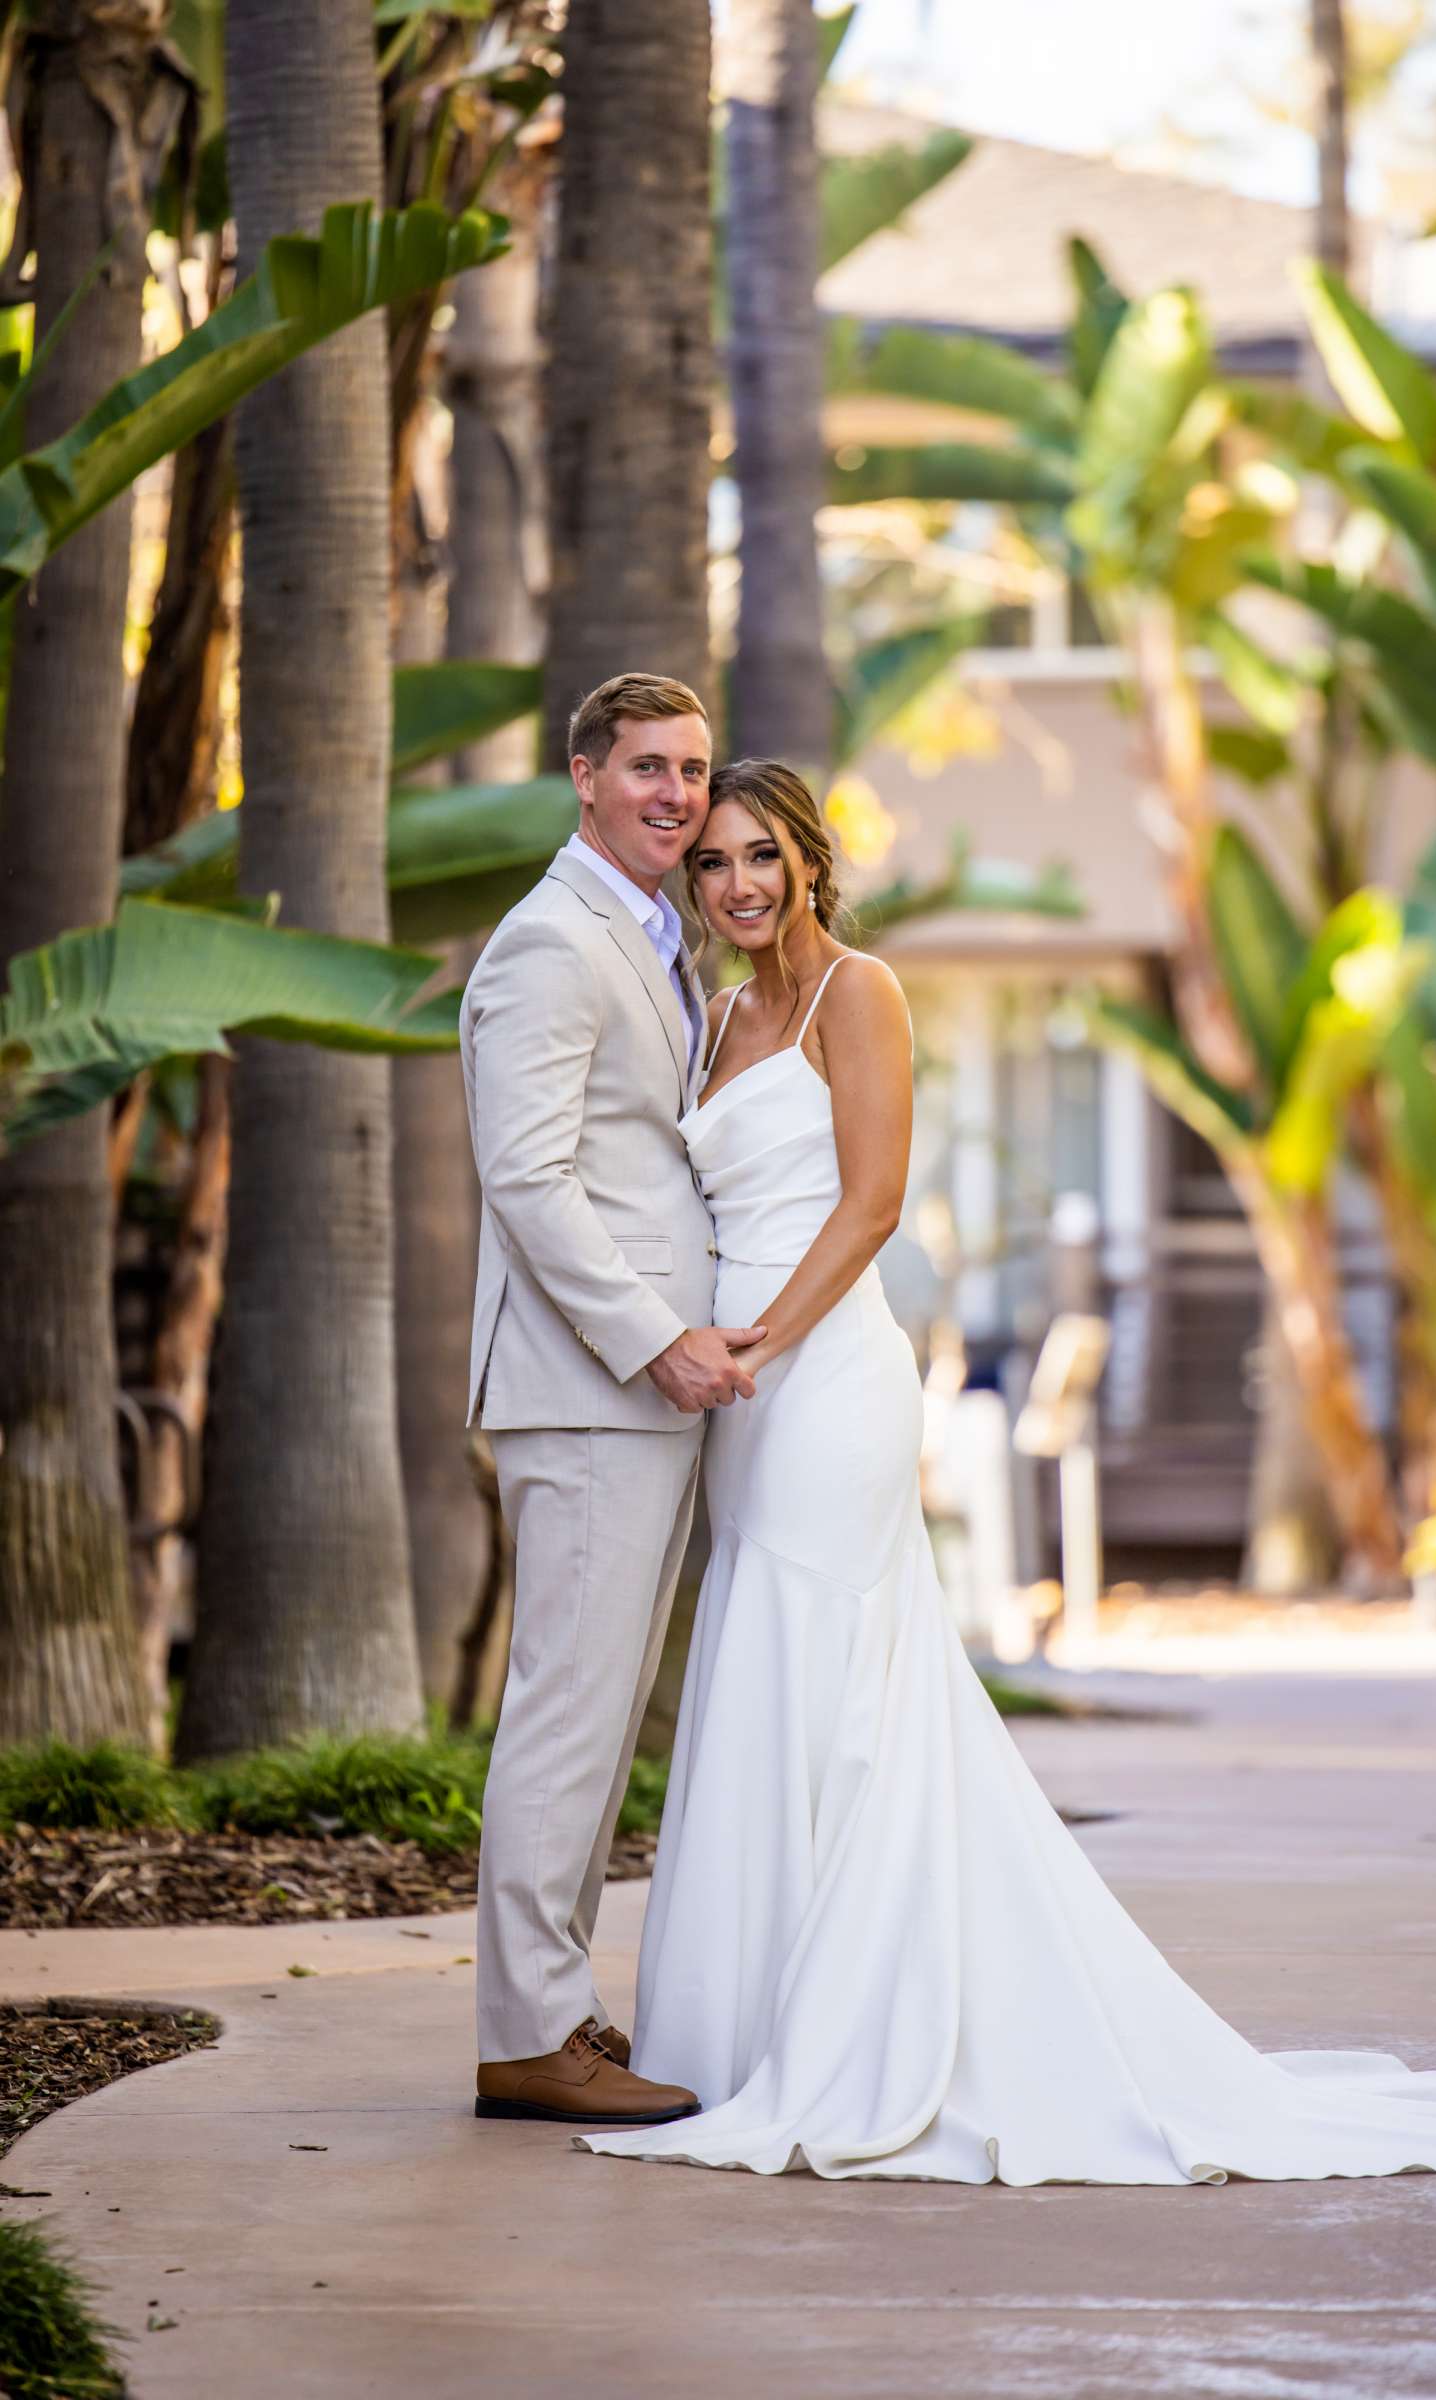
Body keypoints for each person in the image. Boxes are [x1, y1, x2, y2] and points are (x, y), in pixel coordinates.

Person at [580, 757, 1436, 2186]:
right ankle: (744, 2030)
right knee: (762, 1663)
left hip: (816, 1374)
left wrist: (763, 1341)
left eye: (761, 855)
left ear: (809, 858)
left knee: (832, 1674)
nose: (738, 884)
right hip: (736, 1384)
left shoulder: (852, 993)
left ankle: (859, 2031)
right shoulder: (719, 1014)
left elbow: (873, 1203)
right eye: (714, 864)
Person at [461, 671, 766, 2130]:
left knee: (592, 1724)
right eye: (646, 766)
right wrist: (659, 1340)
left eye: (694, 769)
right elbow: (527, 1179)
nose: (677, 794)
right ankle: (527, 2038)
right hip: (589, 1392)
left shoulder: (659, 936)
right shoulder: (549, 943)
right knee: (566, 1721)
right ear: (583, 776)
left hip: (640, 1398)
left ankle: (561, 2013)